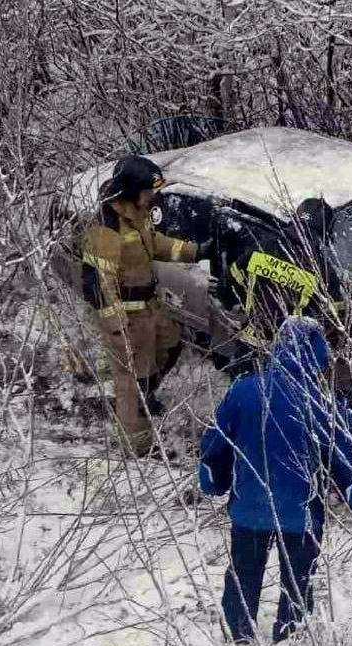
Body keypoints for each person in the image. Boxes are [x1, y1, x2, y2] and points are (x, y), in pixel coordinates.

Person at [198, 316, 352, 643]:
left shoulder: (244, 391)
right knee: (299, 579)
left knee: (244, 574)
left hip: (250, 508)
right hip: (301, 514)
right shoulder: (324, 402)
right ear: (317, 354)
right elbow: (342, 454)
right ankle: (290, 636)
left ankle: (240, 636)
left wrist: (213, 477)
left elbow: (216, 443)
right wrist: (351, 487)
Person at [81, 155, 214, 455]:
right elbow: (97, 286)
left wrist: (197, 252)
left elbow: (156, 244)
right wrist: (118, 331)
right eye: (148, 190)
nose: (153, 196)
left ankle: (147, 395)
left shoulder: (137, 213)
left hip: (148, 305)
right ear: (131, 190)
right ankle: (136, 446)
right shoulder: (107, 228)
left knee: (170, 343)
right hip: (126, 316)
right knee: (131, 382)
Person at [218, 197, 346, 364]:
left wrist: (240, 307)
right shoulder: (322, 269)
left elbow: (226, 284)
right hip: (289, 356)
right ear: (324, 230)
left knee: (245, 388)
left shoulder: (261, 249)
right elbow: (335, 321)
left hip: (250, 346)